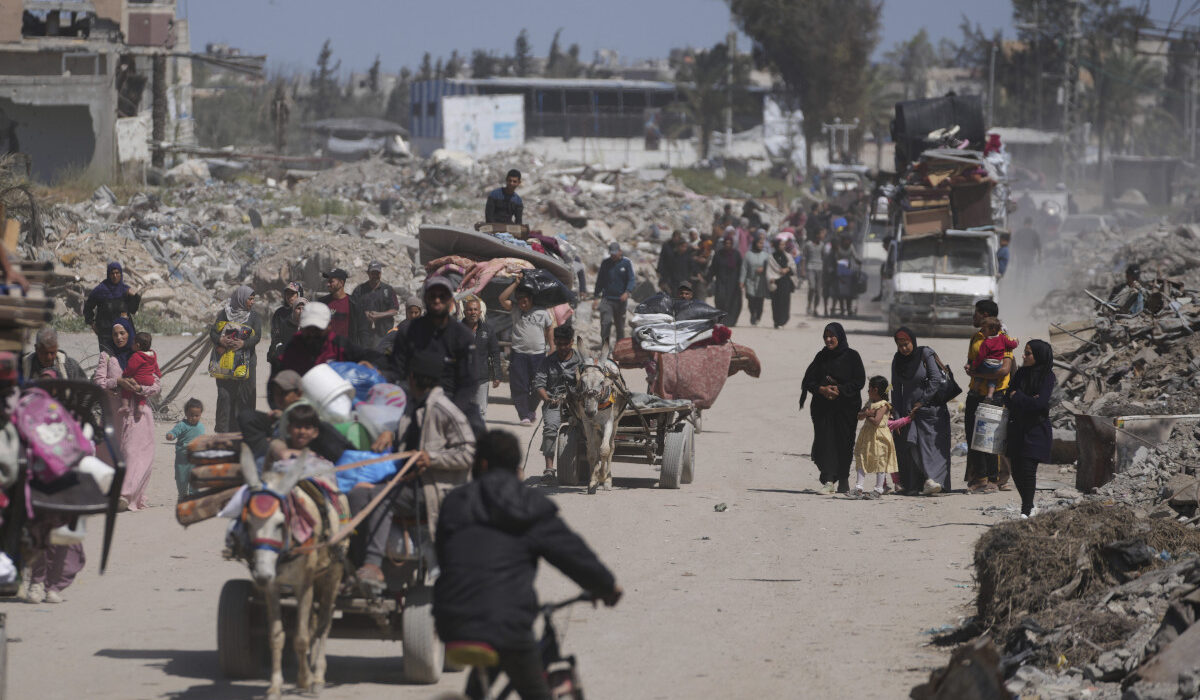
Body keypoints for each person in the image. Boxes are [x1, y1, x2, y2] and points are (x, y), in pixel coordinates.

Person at [434, 430, 622, 700]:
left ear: (482, 464)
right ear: (517, 469)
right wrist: (606, 586)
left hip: (451, 619)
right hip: (508, 624)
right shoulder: (529, 505)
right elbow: (571, 554)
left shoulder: (455, 502)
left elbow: (444, 555)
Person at [350, 352, 476, 590]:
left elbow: (468, 452)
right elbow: (407, 436)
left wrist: (432, 458)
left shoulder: (444, 410)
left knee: (380, 495)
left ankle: (374, 564)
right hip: (408, 483)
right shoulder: (412, 406)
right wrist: (391, 433)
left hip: (432, 490)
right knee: (356, 494)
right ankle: (354, 566)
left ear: (416, 379)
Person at [389, 277, 481, 432]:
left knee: (479, 435)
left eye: (442, 296)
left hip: (452, 400)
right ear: (425, 299)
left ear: (451, 301)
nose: (437, 300)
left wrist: (451, 411)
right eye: (432, 296)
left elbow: (470, 381)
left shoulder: (463, 336)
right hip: (415, 401)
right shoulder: (408, 332)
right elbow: (397, 371)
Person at [93, 318, 159, 511]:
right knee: (109, 455)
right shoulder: (107, 356)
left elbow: (156, 384)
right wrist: (118, 382)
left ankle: (125, 495)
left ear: (130, 333)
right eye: (115, 334)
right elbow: (98, 381)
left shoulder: (144, 355)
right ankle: (111, 493)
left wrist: (139, 387)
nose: (119, 337)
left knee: (134, 454)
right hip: (114, 415)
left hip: (138, 415)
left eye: (123, 333)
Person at [800, 323, 865, 493]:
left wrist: (840, 390)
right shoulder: (821, 357)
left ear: (840, 336)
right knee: (825, 442)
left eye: (831, 336)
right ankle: (828, 480)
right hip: (823, 409)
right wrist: (822, 390)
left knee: (844, 443)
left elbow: (859, 381)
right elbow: (809, 381)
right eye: (825, 336)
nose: (828, 339)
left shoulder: (852, 356)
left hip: (846, 409)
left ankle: (843, 479)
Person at [890, 327, 952, 496]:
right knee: (912, 445)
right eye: (899, 345)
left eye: (906, 344)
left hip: (931, 410)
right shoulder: (897, 360)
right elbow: (896, 389)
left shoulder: (925, 353)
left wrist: (922, 401)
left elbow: (935, 379)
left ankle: (934, 480)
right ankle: (922, 482)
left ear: (913, 341)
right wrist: (897, 417)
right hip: (909, 412)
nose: (903, 348)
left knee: (932, 448)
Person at [963, 300, 1014, 494]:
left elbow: (1004, 369)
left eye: (976, 313)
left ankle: (995, 479)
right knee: (973, 437)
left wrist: (979, 375)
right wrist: (971, 369)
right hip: (975, 393)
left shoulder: (1002, 338)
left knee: (991, 438)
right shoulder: (975, 337)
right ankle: (980, 478)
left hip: (995, 395)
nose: (973, 317)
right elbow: (970, 362)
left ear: (985, 315)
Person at [1004, 340, 1056, 518]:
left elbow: (1040, 404)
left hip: (1036, 429)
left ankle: (1026, 510)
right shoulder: (1020, 373)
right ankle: (1030, 505)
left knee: (1027, 469)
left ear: (1039, 356)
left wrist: (1018, 396)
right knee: (1016, 470)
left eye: (1028, 353)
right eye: (1024, 353)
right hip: (1016, 427)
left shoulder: (1047, 377)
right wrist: (1026, 399)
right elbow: (1007, 396)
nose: (1024, 356)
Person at [278, 301, 383, 379]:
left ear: (329, 327)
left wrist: (374, 367)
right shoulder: (292, 348)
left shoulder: (339, 344)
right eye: (309, 329)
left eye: (318, 329)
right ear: (302, 327)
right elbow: (277, 381)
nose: (313, 334)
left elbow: (368, 356)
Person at [499, 276, 554, 425]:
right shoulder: (515, 309)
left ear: (531, 299)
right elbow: (502, 298)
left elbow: (549, 328)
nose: (522, 304)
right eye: (520, 301)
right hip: (519, 354)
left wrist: (552, 346)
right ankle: (524, 415)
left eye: (525, 301)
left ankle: (530, 410)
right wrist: (516, 283)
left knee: (539, 385)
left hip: (538, 355)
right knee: (518, 385)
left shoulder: (542, 312)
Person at [533, 325, 582, 484]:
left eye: (566, 344)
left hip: (577, 402)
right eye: (559, 344)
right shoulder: (547, 362)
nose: (562, 347)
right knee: (550, 428)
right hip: (554, 402)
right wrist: (547, 399)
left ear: (572, 342)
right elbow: (539, 385)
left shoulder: (581, 361)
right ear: (554, 342)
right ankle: (549, 469)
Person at [209, 285, 261, 433]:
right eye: (249, 299)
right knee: (225, 396)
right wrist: (221, 340)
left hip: (246, 364)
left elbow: (257, 336)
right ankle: (223, 432)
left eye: (253, 299)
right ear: (241, 299)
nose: (252, 302)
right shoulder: (224, 314)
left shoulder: (254, 317)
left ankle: (244, 431)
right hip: (225, 362)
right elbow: (213, 332)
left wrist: (243, 343)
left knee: (245, 397)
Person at [851, 376, 898, 499]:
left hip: (879, 437)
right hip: (867, 436)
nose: (868, 391)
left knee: (880, 461)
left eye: (869, 389)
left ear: (875, 390)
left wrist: (867, 414)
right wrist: (866, 414)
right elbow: (859, 415)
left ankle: (878, 489)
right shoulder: (870, 403)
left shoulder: (884, 405)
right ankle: (858, 487)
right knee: (861, 458)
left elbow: (876, 421)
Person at [82, 262, 141, 353]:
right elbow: (88, 307)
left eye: (117, 273)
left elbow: (133, 310)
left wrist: (135, 296)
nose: (115, 276)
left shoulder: (125, 290)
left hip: (124, 333)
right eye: (112, 273)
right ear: (108, 274)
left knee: (128, 359)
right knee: (108, 360)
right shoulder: (100, 290)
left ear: (121, 274)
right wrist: (92, 323)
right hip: (106, 333)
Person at [462, 295, 501, 420]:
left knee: (480, 412)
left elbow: (495, 353)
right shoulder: (457, 329)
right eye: (470, 310)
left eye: (475, 310)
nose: (472, 312)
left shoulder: (487, 330)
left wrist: (497, 375)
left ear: (480, 312)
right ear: (464, 312)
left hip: (481, 377)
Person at [592, 242, 636, 351]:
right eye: (611, 253)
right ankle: (605, 347)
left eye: (615, 253)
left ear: (620, 251)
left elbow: (631, 279)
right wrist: (596, 297)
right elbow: (600, 281)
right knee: (605, 322)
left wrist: (627, 292)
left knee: (620, 326)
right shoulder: (605, 263)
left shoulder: (626, 263)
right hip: (607, 299)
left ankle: (619, 348)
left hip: (621, 301)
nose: (613, 255)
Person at [351, 261, 400, 349]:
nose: (375, 276)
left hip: (382, 333)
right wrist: (364, 313)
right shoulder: (359, 290)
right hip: (363, 334)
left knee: (379, 357)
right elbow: (351, 308)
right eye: (372, 273)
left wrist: (379, 315)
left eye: (377, 273)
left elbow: (395, 310)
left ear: (380, 273)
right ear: (368, 273)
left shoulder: (388, 290)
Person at [166, 398, 206, 499]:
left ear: (201, 414)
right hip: (182, 458)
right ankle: (182, 494)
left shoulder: (201, 426)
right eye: (191, 415)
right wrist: (170, 435)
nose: (194, 418)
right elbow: (174, 432)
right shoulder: (182, 425)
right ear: (186, 414)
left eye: (197, 415)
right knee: (181, 478)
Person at [972, 317, 1020, 399]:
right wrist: (1016, 342)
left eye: (984, 330)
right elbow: (1011, 345)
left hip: (986, 364)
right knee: (993, 380)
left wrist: (974, 366)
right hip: (996, 366)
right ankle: (990, 395)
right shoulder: (1002, 338)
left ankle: (974, 391)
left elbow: (981, 357)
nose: (982, 331)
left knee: (978, 375)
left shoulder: (986, 342)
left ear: (992, 330)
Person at [318, 268, 367, 347]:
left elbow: (363, 331)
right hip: (326, 350)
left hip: (346, 351)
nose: (328, 284)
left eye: (331, 281)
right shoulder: (322, 303)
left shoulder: (354, 304)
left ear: (341, 283)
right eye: (328, 281)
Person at [21, 328, 86, 382]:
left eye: (52, 353)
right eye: (44, 353)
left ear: (57, 348)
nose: (49, 357)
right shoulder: (24, 365)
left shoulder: (69, 366)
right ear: (36, 349)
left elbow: (86, 391)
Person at [268, 282, 304, 377]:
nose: (289, 296)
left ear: (299, 294)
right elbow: (275, 335)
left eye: (292, 294)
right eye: (287, 294)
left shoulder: (306, 311)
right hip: (282, 353)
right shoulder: (280, 313)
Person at [708, 234, 742, 325]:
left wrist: (741, 281)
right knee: (720, 300)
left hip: (733, 283)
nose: (727, 245)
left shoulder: (736, 254)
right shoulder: (718, 254)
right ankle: (721, 319)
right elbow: (713, 268)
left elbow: (740, 269)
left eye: (729, 243)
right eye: (726, 243)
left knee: (732, 302)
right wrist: (708, 279)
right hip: (721, 282)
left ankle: (731, 321)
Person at [766, 236, 797, 329]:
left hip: (785, 282)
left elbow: (793, 268)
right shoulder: (771, 257)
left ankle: (783, 321)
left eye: (784, 245)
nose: (783, 246)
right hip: (776, 283)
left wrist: (787, 269)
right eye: (781, 244)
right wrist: (771, 278)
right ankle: (777, 321)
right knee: (776, 303)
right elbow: (769, 270)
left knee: (785, 302)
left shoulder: (788, 256)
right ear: (776, 245)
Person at [122, 331, 160, 405]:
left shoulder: (136, 356)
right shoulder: (153, 354)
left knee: (126, 387)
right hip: (150, 380)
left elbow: (131, 368)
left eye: (133, 343)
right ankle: (140, 407)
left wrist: (125, 375)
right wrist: (158, 374)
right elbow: (155, 366)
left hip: (140, 379)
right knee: (142, 395)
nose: (131, 345)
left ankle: (125, 405)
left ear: (137, 345)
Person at [741, 235, 769, 326]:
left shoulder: (766, 255)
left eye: (762, 244)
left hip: (761, 282)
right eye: (759, 243)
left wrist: (763, 269)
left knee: (760, 300)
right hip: (750, 281)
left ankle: (758, 317)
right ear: (755, 243)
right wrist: (741, 281)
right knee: (751, 299)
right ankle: (752, 313)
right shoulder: (748, 255)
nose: (761, 245)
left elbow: (770, 268)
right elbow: (744, 268)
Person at [802, 229, 826, 317]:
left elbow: (824, 257)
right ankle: (809, 305)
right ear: (817, 235)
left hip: (820, 269)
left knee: (818, 291)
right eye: (822, 233)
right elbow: (804, 257)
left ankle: (815, 308)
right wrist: (803, 270)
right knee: (812, 287)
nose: (823, 236)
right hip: (810, 267)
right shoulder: (808, 244)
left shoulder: (822, 245)